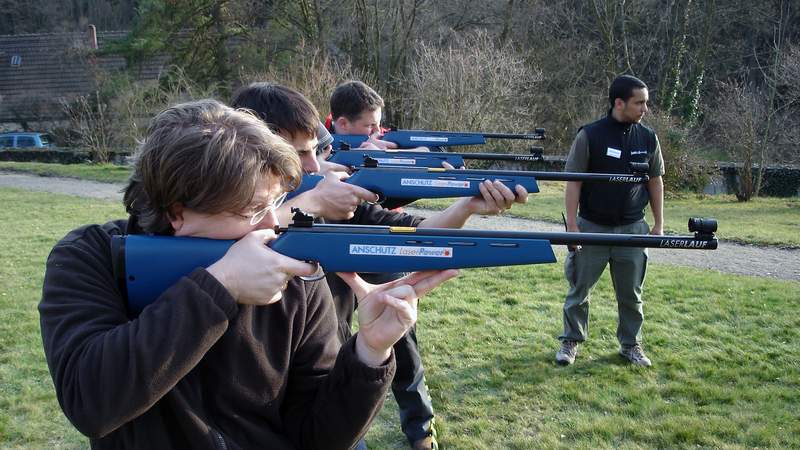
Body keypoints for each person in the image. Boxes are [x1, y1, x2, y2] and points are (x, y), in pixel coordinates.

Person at [38, 99, 458, 449]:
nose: (272, 225)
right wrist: (218, 288)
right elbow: (91, 404)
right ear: (177, 213)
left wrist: (369, 351)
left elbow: (319, 437)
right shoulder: (91, 257)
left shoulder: (296, 274)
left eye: (273, 205)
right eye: (251, 212)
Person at [231, 82, 527, 450]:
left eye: (316, 151)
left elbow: (416, 233)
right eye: (299, 154)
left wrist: (466, 205)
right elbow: (237, 242)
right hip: (253, 401)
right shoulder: (214, 217)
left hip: (326, 377)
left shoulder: (329, 197)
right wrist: (308, 205)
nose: (313, 165)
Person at [555, 74, 665, 367]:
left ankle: (631, 345)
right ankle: (571, 342)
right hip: (592, 227)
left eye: (646, 102)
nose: (645, 109)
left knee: (631, 294)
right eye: (639, 103)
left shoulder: (648, 137)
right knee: (579, 291)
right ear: (619, 103)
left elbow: (655, 181)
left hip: (632, 229)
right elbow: (572, 182)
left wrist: (658, 224)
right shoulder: (590, 135)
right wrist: (574, 229)